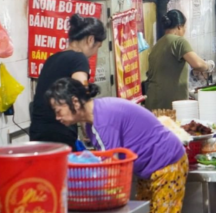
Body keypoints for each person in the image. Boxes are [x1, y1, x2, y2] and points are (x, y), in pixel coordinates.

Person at [48, 78, 188, 213]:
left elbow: (111, 169)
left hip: (167, 162)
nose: (57, 117)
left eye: (58, 110)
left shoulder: (102, 121)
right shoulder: (94, 120)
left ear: (75, 102)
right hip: (148, 170)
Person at [30, 14, 105, 150]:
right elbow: (82, 93)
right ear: (90, 39)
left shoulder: (52, 59)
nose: (95, 53)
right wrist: (88, 129)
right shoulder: (79, 58)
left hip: (37, 132)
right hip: (60, 132)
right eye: (97, 47)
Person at [146, 10, 214, 110]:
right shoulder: (179, 41)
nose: (184, 31)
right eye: (184, 28)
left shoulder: (157, 46)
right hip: (171, 105)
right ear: (179, 27)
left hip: (153, 103)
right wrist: (209, 66)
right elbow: (198, 64)